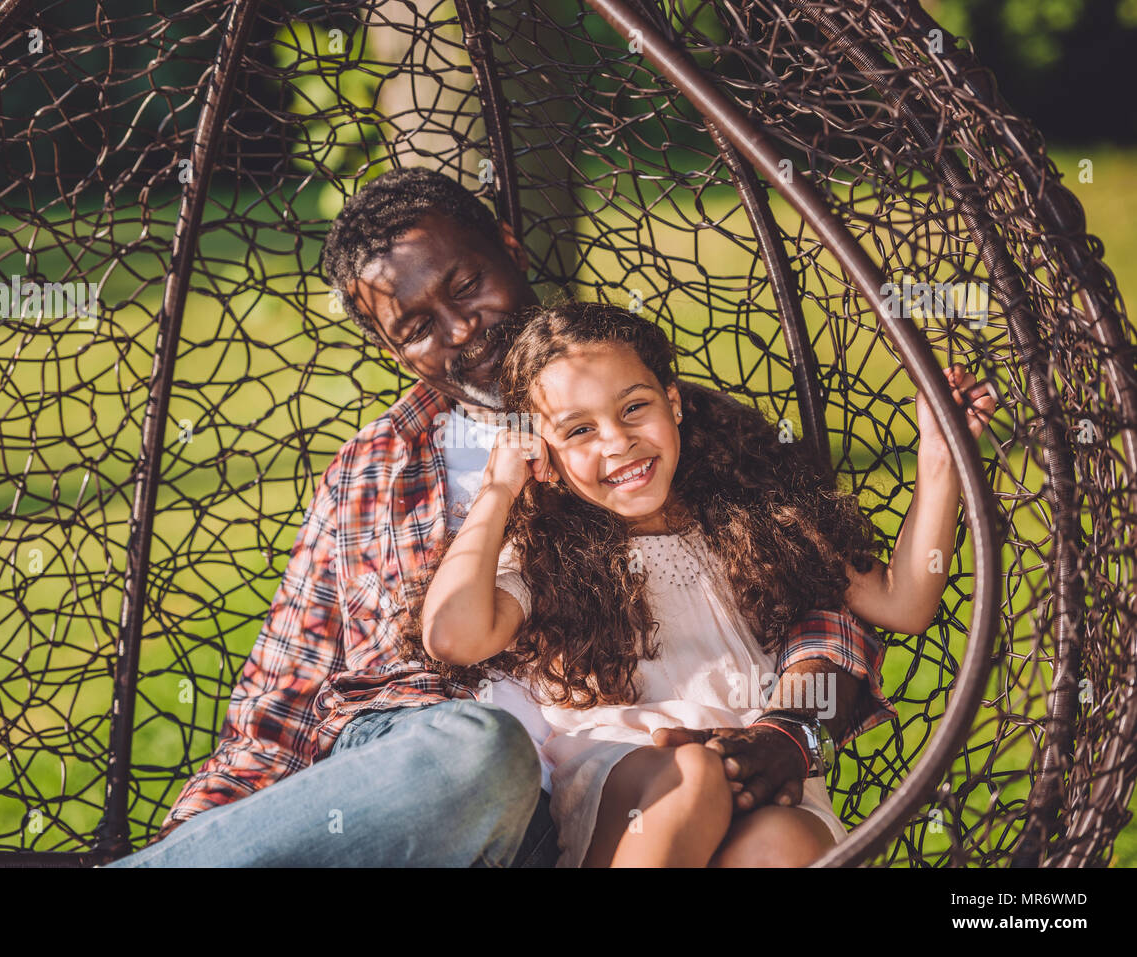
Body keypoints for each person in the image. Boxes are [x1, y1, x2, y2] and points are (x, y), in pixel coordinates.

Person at [108, 167, 898, 868]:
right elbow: (280, 696)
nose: (458, 330)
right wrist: (199, 839)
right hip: (430, 790)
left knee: (772, 841)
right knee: (480, 751)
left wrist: (795, 732)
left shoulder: (668, 437)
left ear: (511, 249)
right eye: (416, 326)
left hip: (618, 804)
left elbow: (822, 607)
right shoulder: (373, 469)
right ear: (393, 350)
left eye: (466, 285)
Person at [412, 299, 996, 867]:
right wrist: (499, 489)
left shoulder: (754, 514)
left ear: (673, 402)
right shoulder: (549, 549)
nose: (617, 442)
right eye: (579, 430)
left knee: (785, 844)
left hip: (761, 767)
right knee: (693, 778)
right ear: (544, 453)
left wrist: (941, 455)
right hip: (630, 776)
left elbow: (907, 601)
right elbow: (453, 637)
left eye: (634, 408)